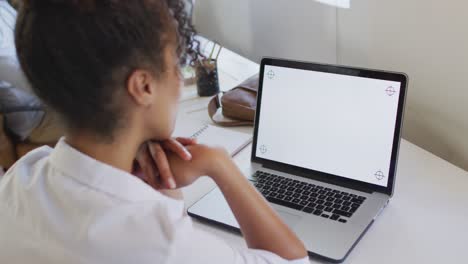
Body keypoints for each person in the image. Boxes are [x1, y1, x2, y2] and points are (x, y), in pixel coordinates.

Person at [0, 1, 308, 263]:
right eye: (175, 64)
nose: (177, 78)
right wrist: (219, 165)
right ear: (144, 87)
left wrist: (161, 183)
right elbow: (294, 261)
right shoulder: (160, 244)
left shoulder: (18, 181)